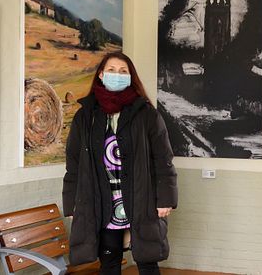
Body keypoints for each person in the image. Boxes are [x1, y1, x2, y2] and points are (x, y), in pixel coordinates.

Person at [63, 52, 178, 274]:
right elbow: (74, 165)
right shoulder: (85, 116)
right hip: (103, 201)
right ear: (101, 74)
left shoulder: (146, 114)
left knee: (147, 259)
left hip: (140, 199)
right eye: (112, 70)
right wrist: (72, 203)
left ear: (131, 77)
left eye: (123, 71)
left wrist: (166, 199)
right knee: (109, 260)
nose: (118, 75)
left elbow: (163, 160)